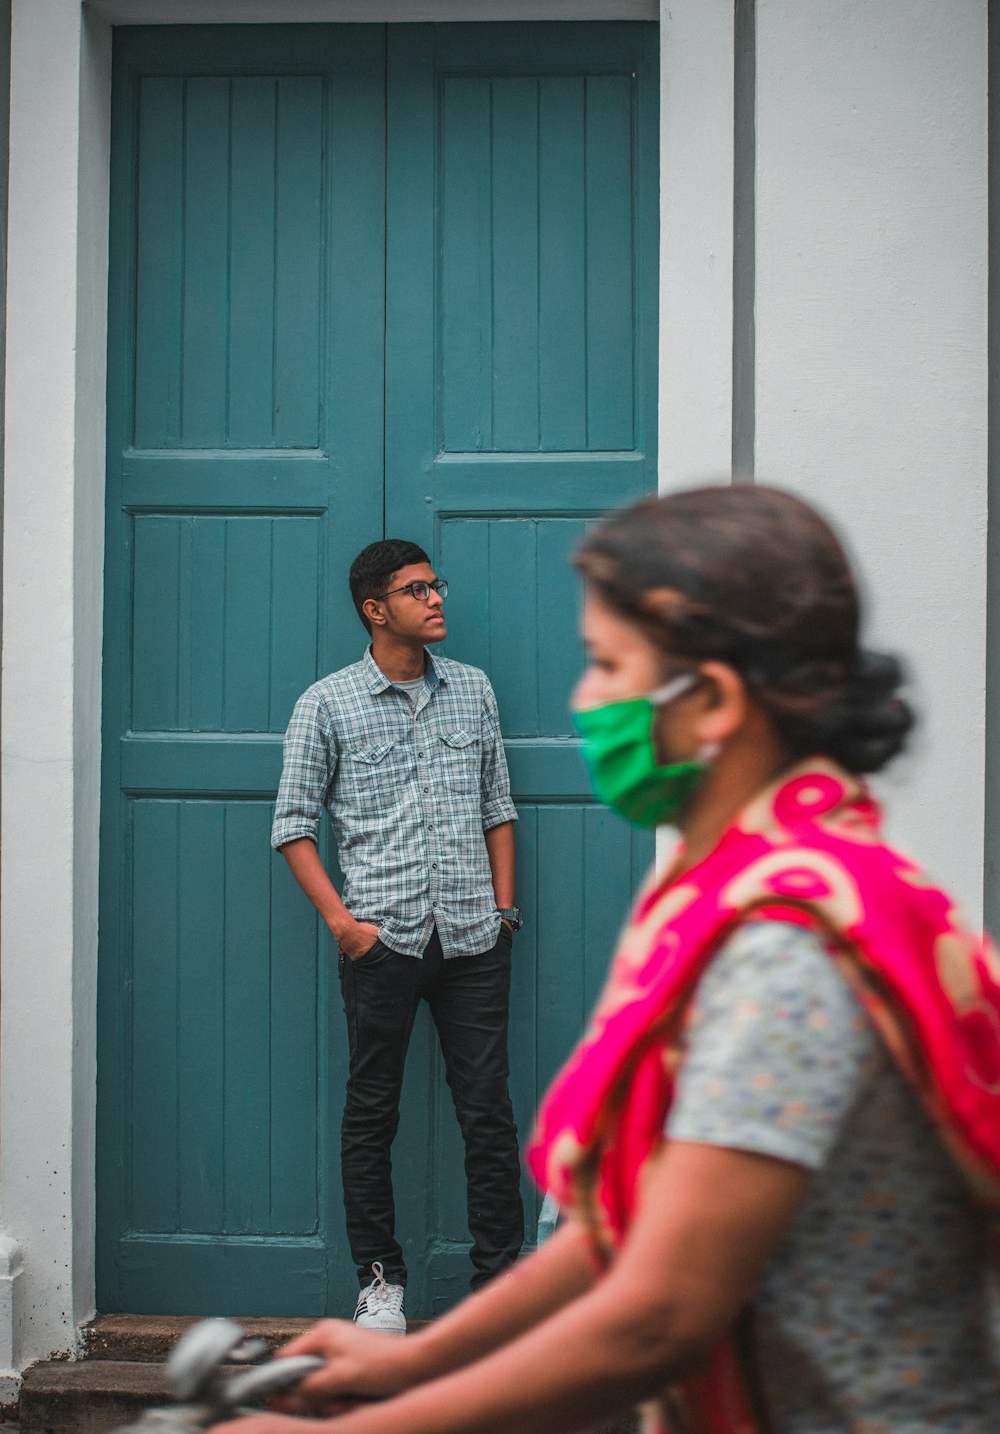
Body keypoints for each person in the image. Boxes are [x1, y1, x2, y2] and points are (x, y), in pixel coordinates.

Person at [236, 487, 1000, 1432]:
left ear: (713, 700)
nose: (584, 701)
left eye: (606, 667)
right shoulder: (737, 895)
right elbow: (622, 1232)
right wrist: (422, 1354)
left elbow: (658, 1318)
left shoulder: (788, 947)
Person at [271, 538, 524, 1335]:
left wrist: (504, 911)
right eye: (418, 590)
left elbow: (498, 807)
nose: (437, 598)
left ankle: (500, 1291)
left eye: (436, 585)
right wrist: (346, 928)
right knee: (371, 1111)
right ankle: (381, 1285)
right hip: (385, 944)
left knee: (487, 1112)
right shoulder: (327, 703)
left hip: (475, 941)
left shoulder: (474, 691)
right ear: (376, 609)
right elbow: (290, 826)